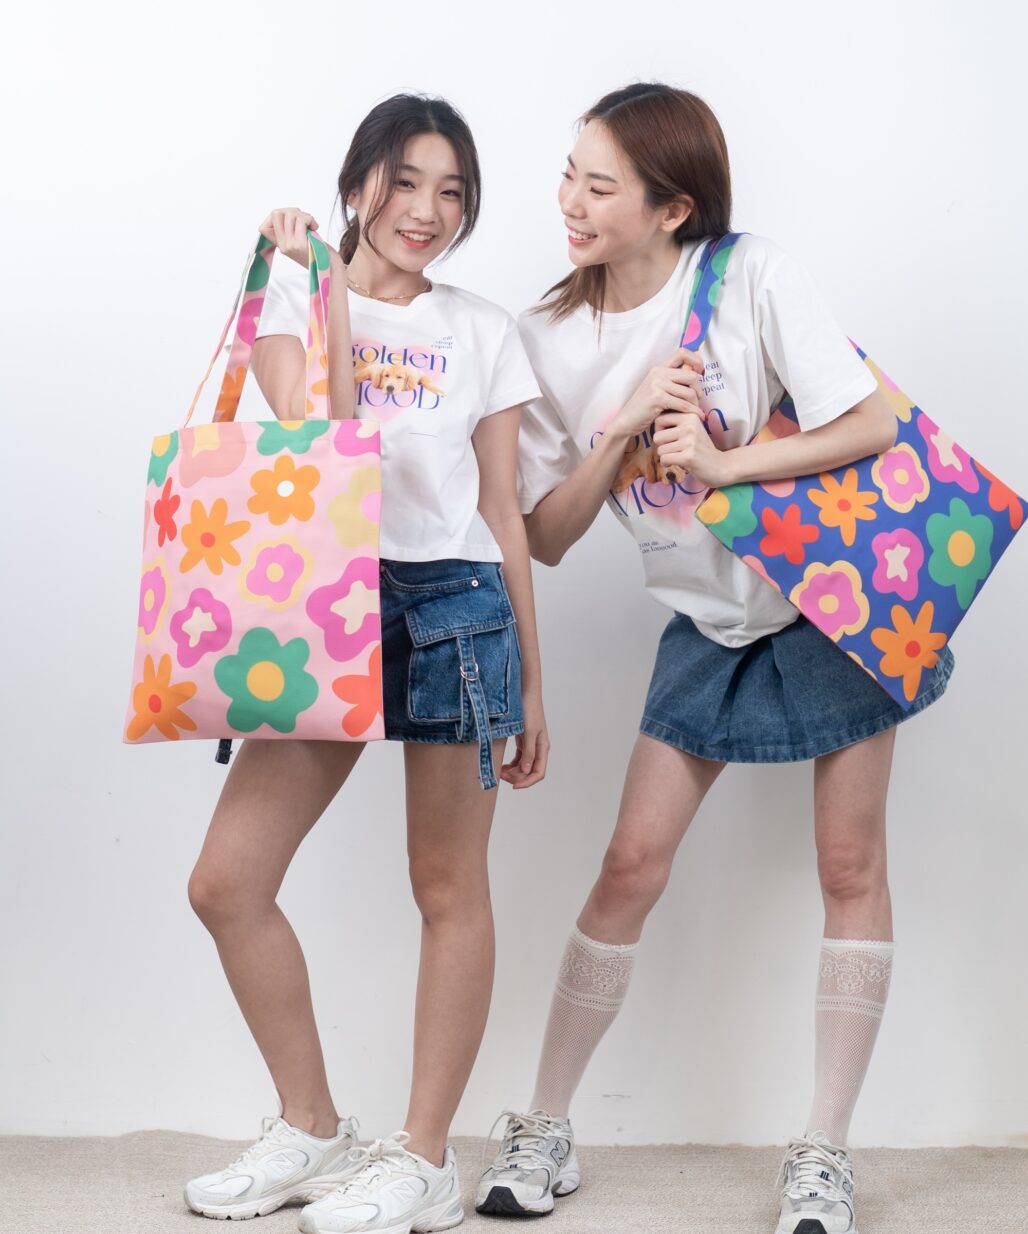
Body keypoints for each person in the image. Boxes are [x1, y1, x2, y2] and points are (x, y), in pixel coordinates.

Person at [477, 83, 952, 1234]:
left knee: (848, 865)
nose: (569, 202)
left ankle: (820, 1151)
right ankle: (544, 1122)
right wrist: (624, 424)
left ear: (670, 208)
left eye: (599, 185)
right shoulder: (546, 338)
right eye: (569, 173)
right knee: (628, 865)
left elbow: (871, 422)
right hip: (703, 618)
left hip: (829, 607)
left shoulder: (748, 277)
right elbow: (543, 534)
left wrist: (726, 465)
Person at [183, 93, 548, 1234]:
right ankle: (311, 1128)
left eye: (452, 191)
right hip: (324, 603)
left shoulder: (482, 328)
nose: (427, 210)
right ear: (356, 187)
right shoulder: (294, 298)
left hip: (455, 606)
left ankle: (423, 1157)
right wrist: (325, 287)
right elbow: (321, 433)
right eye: (405, 182)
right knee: (226, 883)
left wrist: (533, 683)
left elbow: (502, 509)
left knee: (447, 887)